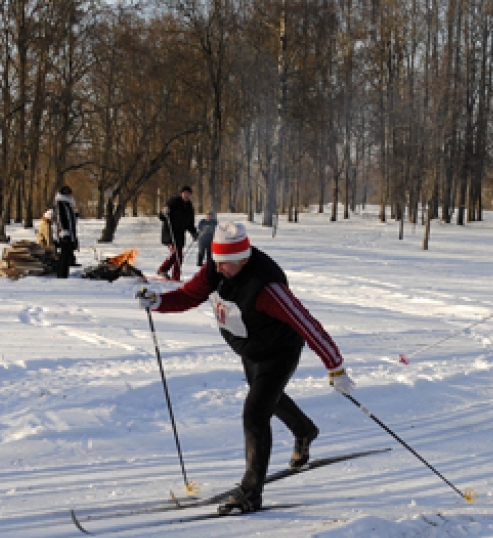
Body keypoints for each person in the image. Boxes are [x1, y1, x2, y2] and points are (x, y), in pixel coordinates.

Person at [135, 223, 355, 514]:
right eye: (217, 261)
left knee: (255, 413)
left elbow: (307, 324)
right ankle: (304, 430)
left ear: (244, 258)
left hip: (278, 352)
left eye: (226, 263)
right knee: (266, 398)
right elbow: (189, 295)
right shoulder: (216, 268)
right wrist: (158, 300)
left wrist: (335, 367)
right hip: (251, 348)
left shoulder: (268, 288)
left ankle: (251, 492)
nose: (219, 268)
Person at [157, 186, 196, 281]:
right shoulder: (174, 202)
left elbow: (190, 223)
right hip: (170, 233)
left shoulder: (190, 207)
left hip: (180, 235)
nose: (186, 195)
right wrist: (164, 213)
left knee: (179, 256)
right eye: (184, 193)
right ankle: (163, 270)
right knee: (176, 254)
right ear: (181, 193)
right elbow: (161, 216)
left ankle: (175, 276)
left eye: (188, 193)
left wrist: (194, 233)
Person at [55, 186, 79, 278]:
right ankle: (61, 274)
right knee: (64, 255)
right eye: (69, 193)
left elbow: (70, 219)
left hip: (69, 233)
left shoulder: (67, 204)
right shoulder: (60, 204)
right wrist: (64, 232)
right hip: (64, 234)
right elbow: (61, 219)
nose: (71, 195)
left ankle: (64, 273)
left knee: (67, 254)